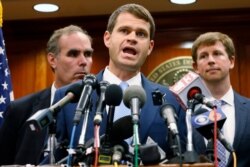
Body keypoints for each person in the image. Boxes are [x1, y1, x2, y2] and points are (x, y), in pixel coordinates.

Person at [54, 3, 186, 165]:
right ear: (107, 38)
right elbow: (54, 158)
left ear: (150, 47)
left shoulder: (172, 100)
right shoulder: (70, 97)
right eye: (124, 31)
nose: (132, 38)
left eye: (141, 34)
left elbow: (183, 158)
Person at [0, 25, 94, 165]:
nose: (83, 62)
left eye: (87, 54)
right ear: (52, 60)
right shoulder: (20, 110)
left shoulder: (100, 108)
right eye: (73, 54)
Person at [191, 32, 250, 167]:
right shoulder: (186, 113)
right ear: (196, 67)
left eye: (217, 53)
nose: (211, 60)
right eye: (204, 56)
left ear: (231, 61)